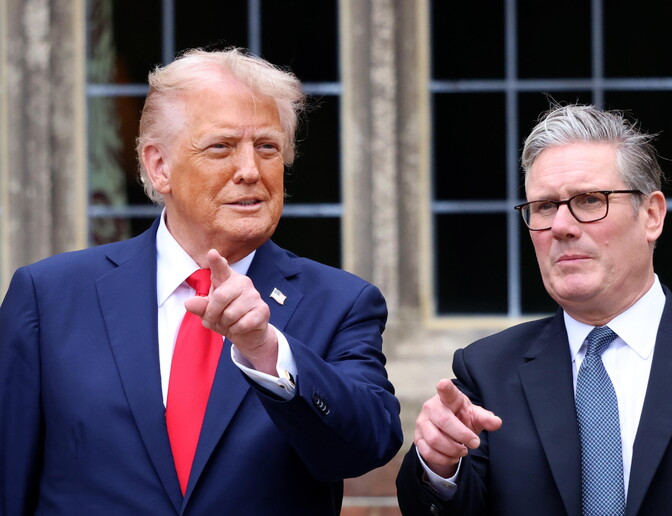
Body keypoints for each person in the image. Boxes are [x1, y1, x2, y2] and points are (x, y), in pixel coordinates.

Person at [0, 48, 402, 515]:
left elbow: (367, 446)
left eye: (267, 147)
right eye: (221, 147)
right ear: (159, 167)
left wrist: (267, 352)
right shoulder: (48, 297)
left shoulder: (341, 302)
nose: (250, 170)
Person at [396, 104, 672, 515]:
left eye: (590, 200)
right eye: (544, 206)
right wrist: (439, 465)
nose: (561, 226)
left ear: (651, 215)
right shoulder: (487, 371)